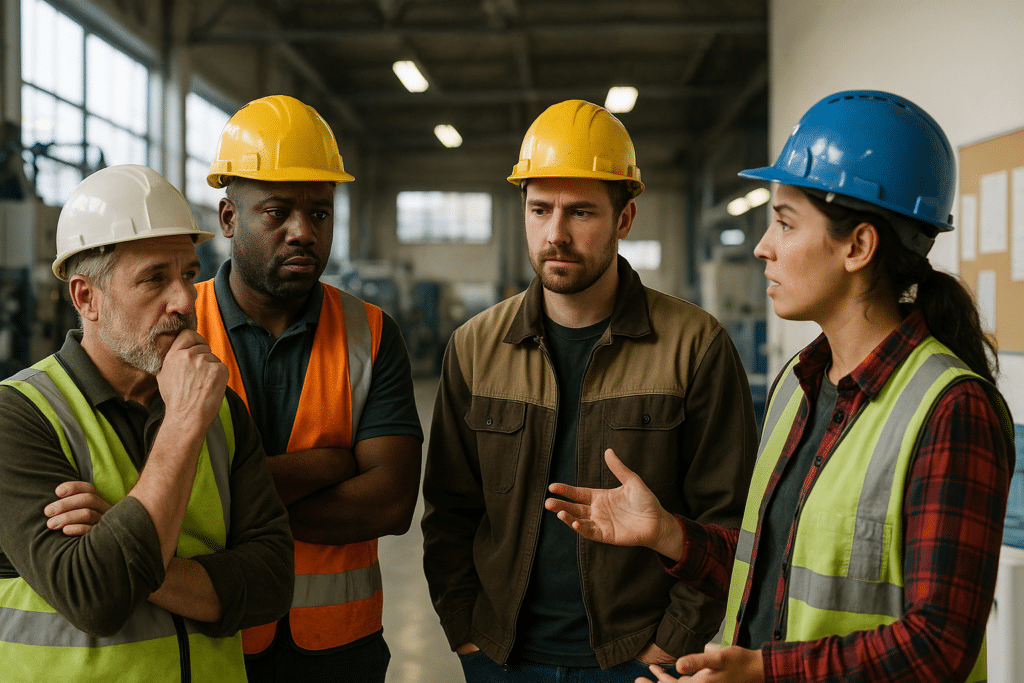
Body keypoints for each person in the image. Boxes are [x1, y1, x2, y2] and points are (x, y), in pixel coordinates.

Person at [546, 90, 1015, 683]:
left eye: (786, 223)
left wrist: (765, 673)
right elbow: (770, 573)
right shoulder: (798, 385)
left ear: (859, 246)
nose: (764, 246)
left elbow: (939, 645)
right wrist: (666, 533)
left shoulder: (950, 409)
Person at [421, 99, 758, 682]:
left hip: (636, 661)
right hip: (501, 658)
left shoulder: (695, 346)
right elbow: (450, 514)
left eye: (581, 212)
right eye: (539, 209)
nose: (556, 234)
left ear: (624, 219)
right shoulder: (474, 347)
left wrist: (667, 647)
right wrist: (467, 633)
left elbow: (731, 521)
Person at [0, 164, 294, 681]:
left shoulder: (221, 410)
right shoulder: (19, 416)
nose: (184, 300)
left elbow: (270, 582)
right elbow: (97, 598)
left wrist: (121, 544)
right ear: (85, 298)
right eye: (154, 278)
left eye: (189, 274)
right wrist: (181, 424)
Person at [198, 93, 423, 683]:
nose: (303, 232)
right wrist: (329, 465)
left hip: (338, 649)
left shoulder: (370, 333)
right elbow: (147, 491)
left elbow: (394, 503)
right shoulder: (174, 331)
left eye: (320, 214)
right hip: (208, 639)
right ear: (229, 218)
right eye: (277, 212)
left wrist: (230, 502)